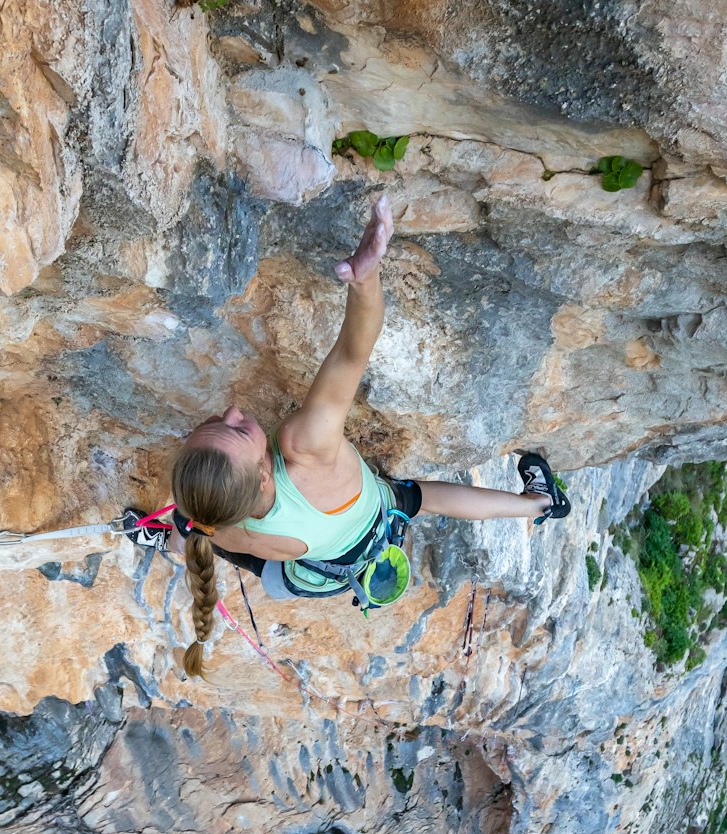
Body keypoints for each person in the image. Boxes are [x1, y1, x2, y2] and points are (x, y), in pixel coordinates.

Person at [128, 193, 570, 678]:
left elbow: (208, 529)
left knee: (205, 538)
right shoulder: (305, 448)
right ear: (261, 476)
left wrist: (188, 529)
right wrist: (365, 282)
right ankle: (539, 504)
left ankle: (166, 541)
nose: (234, 410)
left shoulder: (241, 532)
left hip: (322, 571)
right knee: (419, 495)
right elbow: (352, 352)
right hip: (367, 521)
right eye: (242, 429)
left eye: (215, 422)